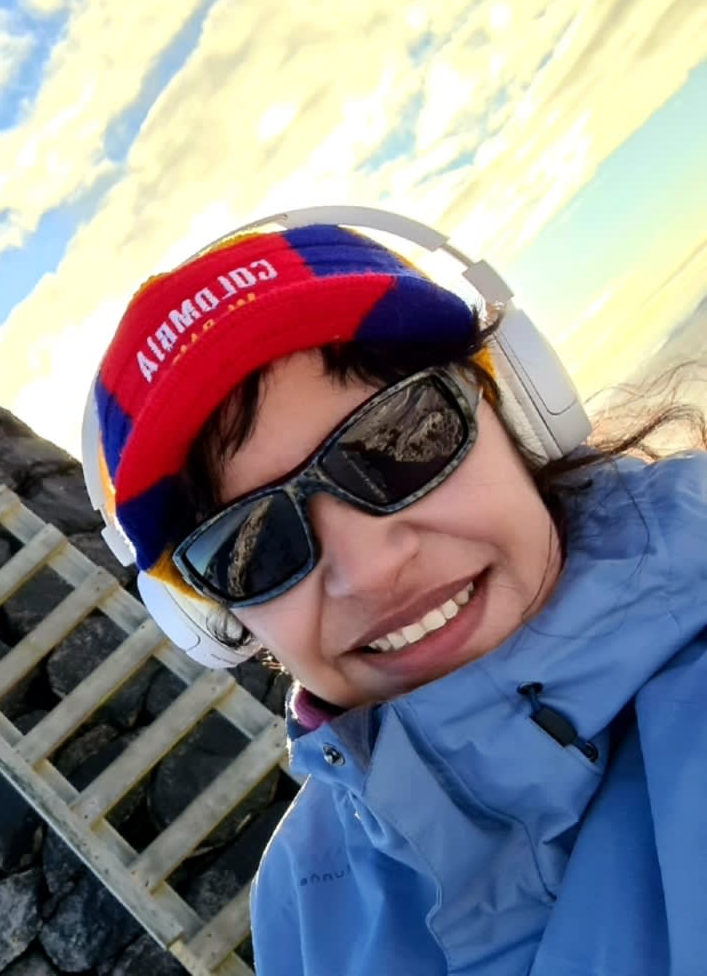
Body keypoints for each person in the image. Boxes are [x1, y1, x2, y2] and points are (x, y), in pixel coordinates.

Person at [81, 210, 707, 975]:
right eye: (251, 548)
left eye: (403, 439)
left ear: (515, 409)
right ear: (215, 621)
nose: (368, 570)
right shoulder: (299, 909)